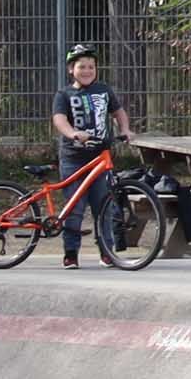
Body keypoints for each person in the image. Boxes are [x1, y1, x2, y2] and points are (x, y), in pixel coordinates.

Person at [50, 45, 136, 266]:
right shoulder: (64, 94)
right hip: (73, 158)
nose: (87, 70)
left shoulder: (104, 90)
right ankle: (71, 253)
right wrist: (73, 134)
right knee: (75, 208)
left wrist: (125, 129)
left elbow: (118, 112)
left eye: (91, 66)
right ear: (71, 69)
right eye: (81, 67)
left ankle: (106, 250)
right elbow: (59, 119)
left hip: (100, 157)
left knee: (103, 205)